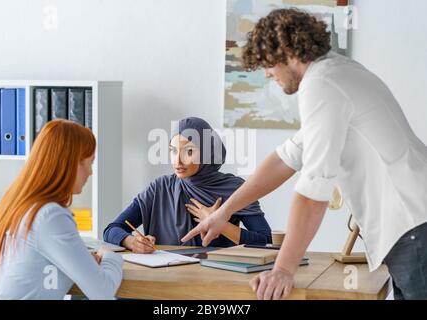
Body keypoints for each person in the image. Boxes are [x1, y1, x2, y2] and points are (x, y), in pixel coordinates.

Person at [182, 8, 427, 300]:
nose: (266, 73)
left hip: (414, 227)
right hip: (413, 225)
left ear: (287, 50)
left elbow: (313, 190)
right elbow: (287, 158)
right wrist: (224, 212)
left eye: (268, 63)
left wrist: (284, 269)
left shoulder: (322, 83)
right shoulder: (335, 72)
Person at [0, 119, 123, 300]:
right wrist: (110, 256)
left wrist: (81, 260)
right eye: (89, 163)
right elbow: (103, 291)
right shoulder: (49, 215)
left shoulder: (18, 204)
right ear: (71, 163)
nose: (90, 172)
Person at [104, 117, 272, 253]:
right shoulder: (159, 188)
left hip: (216, 279)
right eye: (173, 150)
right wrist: (132, 241)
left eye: (189, 151)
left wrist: (220, 224)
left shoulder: (234, 188)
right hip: (166, 277)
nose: (178, 160)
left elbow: (266, 241)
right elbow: (112, 229)